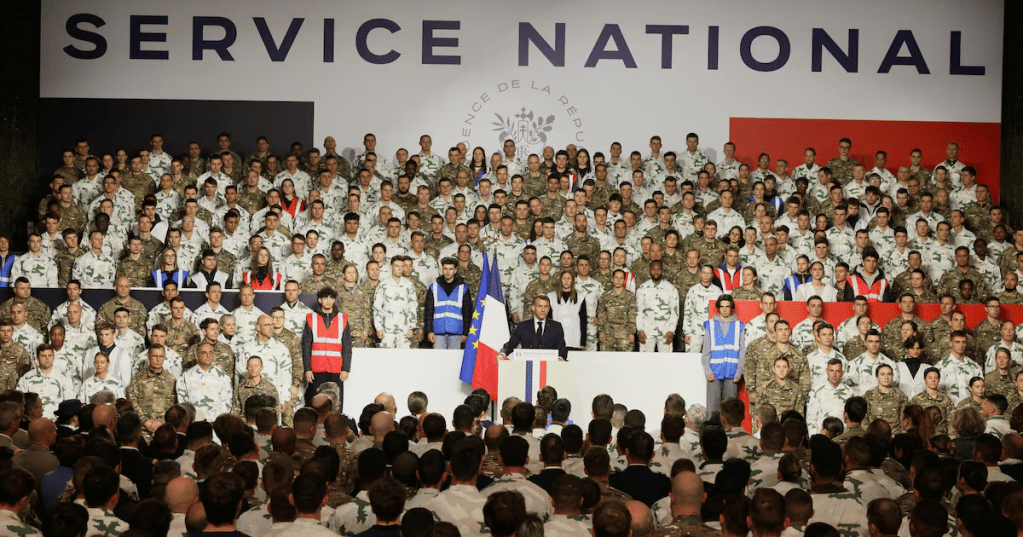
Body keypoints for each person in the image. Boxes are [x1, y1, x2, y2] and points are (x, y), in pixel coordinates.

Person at [302, 287, 352, 408]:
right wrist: (307, 369)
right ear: (319, 300)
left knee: (335, 403)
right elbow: (306, 345)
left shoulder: (343, 319)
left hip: (336, 369)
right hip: (316, 369)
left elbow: (347, 346)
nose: (328, 301)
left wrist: (346, 368)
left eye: (331, 298)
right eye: (325, 298)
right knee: (315, 402)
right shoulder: (311, 318)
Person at [702, 295, 745, 414]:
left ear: (731, 307)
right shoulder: (710, 325)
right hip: (714, 373)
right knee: (713, 410)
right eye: (722, 306)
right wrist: (707, 370)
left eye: (727, 306)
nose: (725, 309)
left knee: (730, 410)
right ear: (718, 308)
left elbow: (742, 351)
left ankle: (729, 433)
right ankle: (711, 432)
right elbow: (706, 351)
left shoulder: (739, 325)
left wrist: (739, 371)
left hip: (732, 373)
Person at [423, 257, 473, 350]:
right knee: (439, 361)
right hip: (438, 332)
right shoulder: (434, 287)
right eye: (445, 269)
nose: (448, 272)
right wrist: (429, 331)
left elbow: (467, 313)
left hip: (456, 332)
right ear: (442, 269)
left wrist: (465, 333)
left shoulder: (463, 287)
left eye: (450, 269)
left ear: (455, 270)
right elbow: (428, 312)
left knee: (454, 362)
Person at [499, 295, 568, 361]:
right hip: (528, 367)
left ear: (549, 308)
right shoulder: (523, 326)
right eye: (539, 306)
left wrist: (560, 358)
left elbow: (562, 349)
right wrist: (502, 354)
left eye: (546, 306)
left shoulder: (556, 326)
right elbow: (510, 345)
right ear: (533, 307)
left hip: (548, 368)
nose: (543, 310)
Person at [548, 271, 588, 351]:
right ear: (560, 280)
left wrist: (583, 341)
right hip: (556, 339)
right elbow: (549, 320)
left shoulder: (580, 296)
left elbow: (583, 320)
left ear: (572, 280)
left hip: (574, 339)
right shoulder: (551, 296)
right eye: (564, 278)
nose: (566, 281)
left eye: (568, 278)